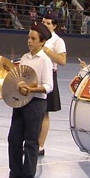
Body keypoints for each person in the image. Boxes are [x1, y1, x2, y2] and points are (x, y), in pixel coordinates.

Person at [0, 23, 54, 178]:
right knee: (14, 138)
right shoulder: (24, 57)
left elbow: (48, 86)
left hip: (36, 104)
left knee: (31, 142)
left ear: (42, 42)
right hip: (21, 102)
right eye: (28, 37)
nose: (29, 41)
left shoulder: (45, 60)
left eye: (33, 38)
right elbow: (19, 79)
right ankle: (15, 174)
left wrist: (31, 89)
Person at [38, 13, 67, 157]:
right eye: (43, 22)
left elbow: (62, 60)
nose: (45, 25)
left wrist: (46, 50)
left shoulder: (57, 41)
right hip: (36, 74)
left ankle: (40, 146)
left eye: (48, 23)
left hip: (49, 75)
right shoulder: (37, 37)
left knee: (45, 112)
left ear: (54, 25)